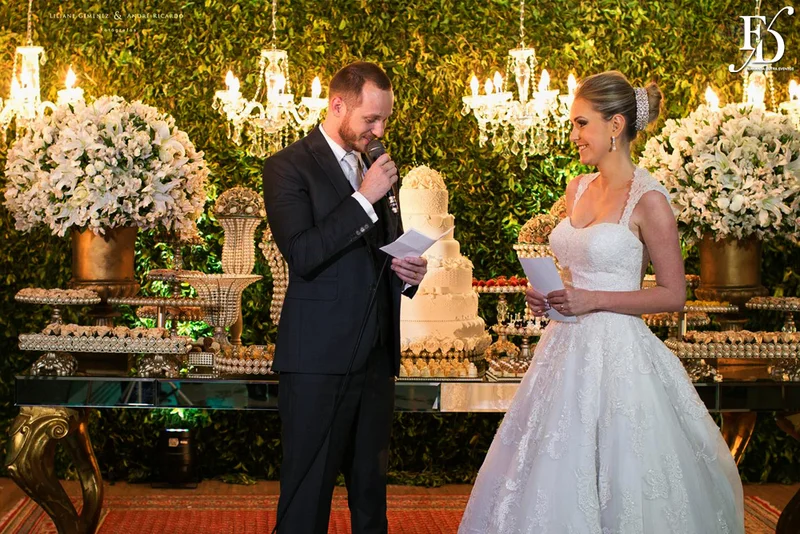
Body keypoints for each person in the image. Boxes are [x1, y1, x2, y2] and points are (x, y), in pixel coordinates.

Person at [459, 71, 744, 533]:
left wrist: (591, 298)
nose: (573, 136)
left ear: (615, 126)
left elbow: (673, 294)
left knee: (623, 473)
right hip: (562, 350)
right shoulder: (576, 189)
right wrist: (552, 293)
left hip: (620, 355)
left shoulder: (650, 201)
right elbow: (576, 269)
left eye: (581, 124)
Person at [262, 61, 427, 534]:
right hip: (316, 361)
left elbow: (383, 253)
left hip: (376, 357)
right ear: (338, 106)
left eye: (385, 121)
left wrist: (408, 270)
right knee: (306, 496)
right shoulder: (287, 167)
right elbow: (304, 253)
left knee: (371, 496)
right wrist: (363, 197)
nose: (379, 131)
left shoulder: (374, 165)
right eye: (370, 120)